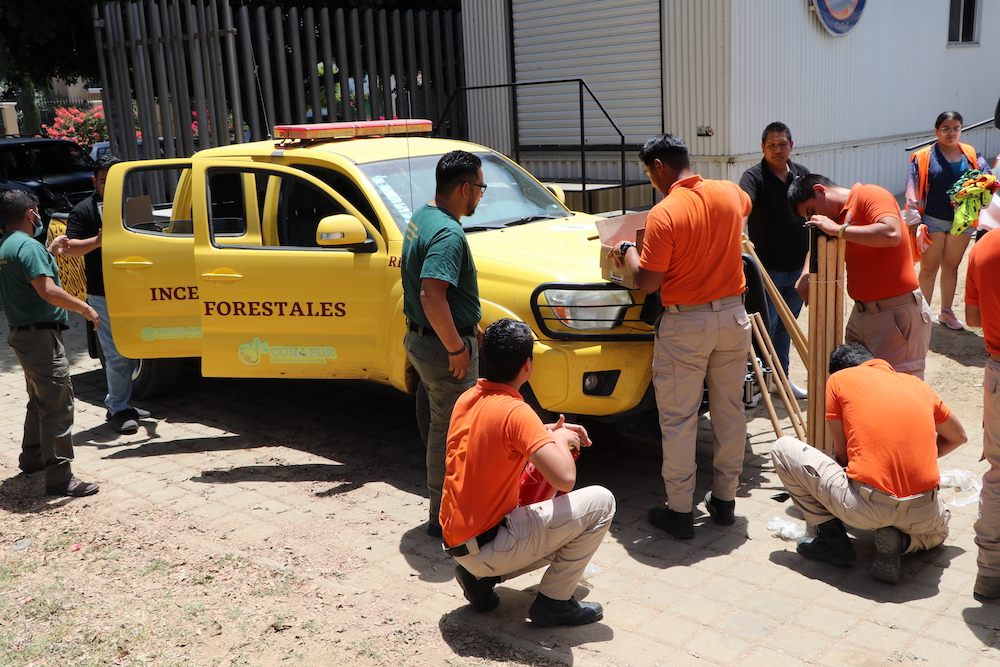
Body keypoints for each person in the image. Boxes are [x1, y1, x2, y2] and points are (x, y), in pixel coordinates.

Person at [610, 133, 752, 539]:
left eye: (648, 173)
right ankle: (725, 501)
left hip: (686, 324)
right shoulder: (730, 193)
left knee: (679, 420)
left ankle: (680, 511)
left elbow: (648, 282)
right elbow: (746, 207)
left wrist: (627, 250)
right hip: (733, 317)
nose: (651, 181)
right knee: (730, 412)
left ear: (658, 166)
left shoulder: (665, 212)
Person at [440, 318, 615, 626]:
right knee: (601, 502)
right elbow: (565, 478)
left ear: (484, 356)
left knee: (545, 506)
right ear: (527, 365)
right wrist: (560, 438)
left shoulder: (467, 398)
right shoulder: (516, 412)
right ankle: (554, 603)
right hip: (489, 546)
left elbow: (500, 435)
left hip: (460, 543)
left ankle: (479, 579)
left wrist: (548, 432)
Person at [771, 342, 966, 583]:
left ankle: (831, 541)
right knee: (939, 532)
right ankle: (903, 542)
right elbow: (959, 437)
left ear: (839, 369)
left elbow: (842, 455)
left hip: (866, 508)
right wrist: (915, 457)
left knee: (782, 448)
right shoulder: (919, 385)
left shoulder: (839, 379)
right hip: (923, 509)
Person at [401, 150, 485, 537]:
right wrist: (456, 348)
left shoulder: (424, 215)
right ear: (465, 188)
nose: (481, 195)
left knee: (441, 425)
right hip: (442, 349)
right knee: (452, 433)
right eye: (480, 187)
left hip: (424, 339)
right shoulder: (448, 233)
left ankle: (444, 510)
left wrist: (470, 325)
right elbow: (432, 296)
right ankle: (444, 517)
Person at [0, 190, 101, 497]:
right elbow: (47, 290)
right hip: (41, 337)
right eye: (37, 211)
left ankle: (32, 458)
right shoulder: (28, 247)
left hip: (23, 335)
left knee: (39, 399)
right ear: (30, 214)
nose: (39, 216)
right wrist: (84, 308)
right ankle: (59, 477)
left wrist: (51, 251)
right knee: (57, 403)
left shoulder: (8, 244)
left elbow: (28, 274)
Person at [789, 174, 932, 379]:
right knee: (860, 386)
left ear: (820, 190)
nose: (815, 218)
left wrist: (838, 230)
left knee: (896, 389)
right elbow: (819, 243)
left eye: (812, 211)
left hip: (895, 315)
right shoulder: (837, 219)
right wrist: (806, 273)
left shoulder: (869, 194)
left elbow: (891, 233)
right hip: (862, 315)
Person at [55, 154, 151, 433]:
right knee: (116, 354)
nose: (109, 187)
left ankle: (122, 402)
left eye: (116, 180)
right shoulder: (83, 210)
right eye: (104, 181)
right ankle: (118, 409)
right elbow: (69, 248)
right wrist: (98, 240)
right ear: (94, 181)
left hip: (134, 289)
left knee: (133, 350)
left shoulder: (132, 206)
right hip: (103, 293)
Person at [739, 122, 810, 398]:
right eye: (771, 145)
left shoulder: (802, 174)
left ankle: (781, 379)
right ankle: (757, 383)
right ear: (762, 147)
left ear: (791, 145)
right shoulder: (753, 177)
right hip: (766, 271)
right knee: (763, 331)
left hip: (798, 269)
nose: (777, 150)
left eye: (782, 144)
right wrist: (740, 234)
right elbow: (743, 206)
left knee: (785, 328)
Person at [904, 111, 993, 331]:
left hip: (963, 222)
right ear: (937, 131)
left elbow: (989, 180)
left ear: (961, 129)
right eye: (946, 129)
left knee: (951, 268)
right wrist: (913, 218)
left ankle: (946, 312)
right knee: (928, 269)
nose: (951, 133)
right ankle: (922, 315)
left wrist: (980, 192)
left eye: (955, 128)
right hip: (932, 220)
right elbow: (912, 189)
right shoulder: (923, 157)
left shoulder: (971, 154)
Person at [964, 227, 1000, 598]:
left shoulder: (985, 245)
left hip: (997, 372)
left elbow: (973, 317)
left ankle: (990, 574)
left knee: (999, 475)